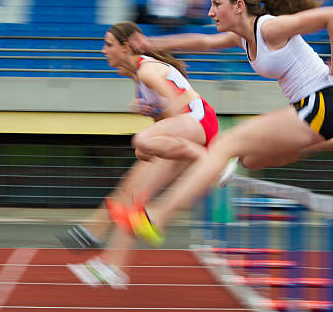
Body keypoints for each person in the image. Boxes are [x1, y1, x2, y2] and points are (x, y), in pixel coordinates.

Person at [106, 0, 333, 246]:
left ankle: (158, 216)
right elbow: (203, 42)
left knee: (226, 144)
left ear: (239, 6)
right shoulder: (243, 37)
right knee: (250, 160)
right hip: (314, 112)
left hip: (322, 103)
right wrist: (152, 44)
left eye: (217, 4)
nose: (210, 12)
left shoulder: (269, 28)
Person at [64, 21, 219, 289]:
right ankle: (113, 267)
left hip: (199, 123)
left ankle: (212, 161)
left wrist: (158, 124)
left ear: (126, 48)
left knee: (142, 145)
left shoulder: (147, 71)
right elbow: (167, 117)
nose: (103, 51)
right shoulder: (138, 78)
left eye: (108, 45)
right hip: (186, 131)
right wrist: (151, 113)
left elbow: (179, 102)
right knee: (135, 194)